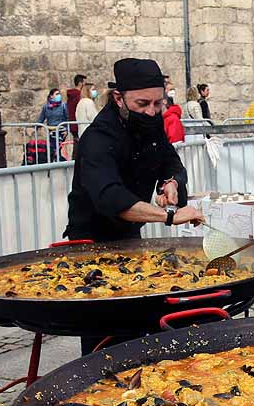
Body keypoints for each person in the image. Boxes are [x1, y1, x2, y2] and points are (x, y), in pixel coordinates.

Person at [65, 58, 203, 350]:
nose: (152, 112)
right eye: (142, 104)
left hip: (129, 239)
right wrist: (169, 216)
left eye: (158, 103)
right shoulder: (97, 139)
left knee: (140, 319)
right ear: (119, 97)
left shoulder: (151, 125)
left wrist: (171, 183)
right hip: (90, 244)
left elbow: (172, 162)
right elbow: (111, 199)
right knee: (105, 330)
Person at [37, 87, 68, 162]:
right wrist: (36, 126)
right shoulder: (46, 107)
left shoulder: (63, 105)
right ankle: (57, 162)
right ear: (51, 96)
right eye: (57, 94)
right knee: (53, 148)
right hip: (51, 130)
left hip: (61, 130)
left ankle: (58, 161)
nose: (59, 95)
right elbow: (41, 118)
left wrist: (67, 129)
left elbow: (67, 117)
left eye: (59, 94)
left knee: (57, 147)